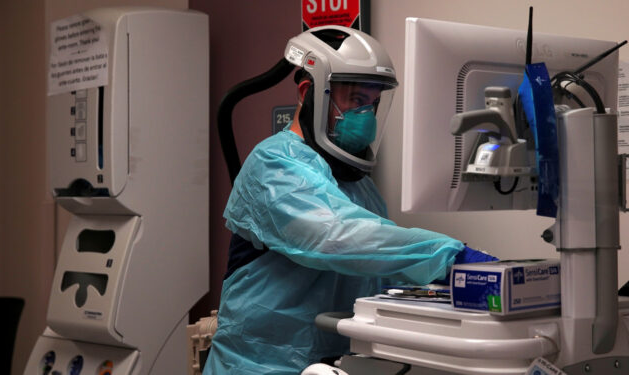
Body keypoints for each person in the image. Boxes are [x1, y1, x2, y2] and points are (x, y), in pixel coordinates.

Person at [203, 26, 497, 375]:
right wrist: (450, 256)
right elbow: (336, 237)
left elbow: (376, 269)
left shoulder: (360, 186)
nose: (366, 117)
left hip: (333, 364)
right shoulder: (274, 165)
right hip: (259, 367)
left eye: (372, 104)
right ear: (308, 92)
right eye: (356, 101)